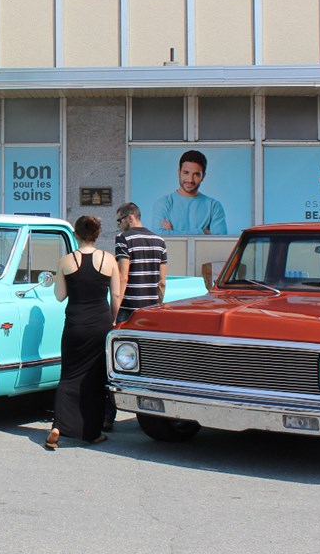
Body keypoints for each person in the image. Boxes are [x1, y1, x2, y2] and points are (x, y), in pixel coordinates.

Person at [45, 214, 121, 450]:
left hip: (75, 324)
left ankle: (58, 426)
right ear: (97, 235)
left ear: (76, 234)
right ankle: (92, 433)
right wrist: (113, 320)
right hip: (100, 324)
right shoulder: (109, 260)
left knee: (68, 376)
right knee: (95, 379)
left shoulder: (66, 261)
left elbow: (59, 296)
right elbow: (116, 295)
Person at [110, 202, 168, 431]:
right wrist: (158, 305)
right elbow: (162, 281)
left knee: (119, 362)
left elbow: (123, 277)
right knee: (150, 362)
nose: (119, 225)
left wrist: (115, 310)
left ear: (130, 217)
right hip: (151, 310)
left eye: (119, 220)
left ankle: (108, 416)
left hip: (129, 308)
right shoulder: (160, 241)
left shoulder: (124, 239)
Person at [152, 149, 227, 235]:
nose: (190, 180)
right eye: (186, 172)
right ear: (179, 172)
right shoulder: (163, 204)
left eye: (196, 174)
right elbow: (158, 236)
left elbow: (219, 240)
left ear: (203, 176)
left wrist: (172, 233)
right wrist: (203, 232)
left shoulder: (214, 206)